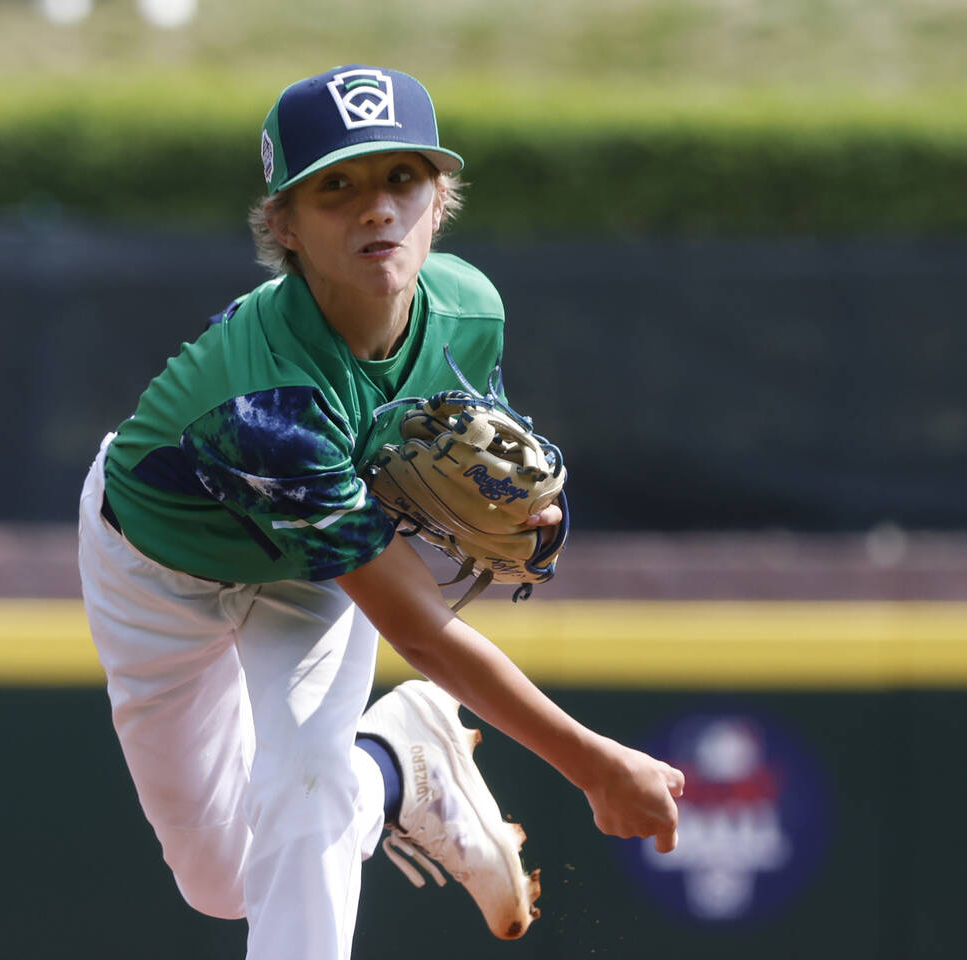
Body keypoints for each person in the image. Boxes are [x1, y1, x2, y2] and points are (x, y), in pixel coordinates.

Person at [77, 65, 684, 960]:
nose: (376, 210)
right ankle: (399, 765)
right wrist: (595, 765)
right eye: (337, 187)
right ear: (282, 224)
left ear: (441, 200)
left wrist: (525, 513)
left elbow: (469, 453)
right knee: (223, 881)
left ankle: (368, 771)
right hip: (159, 570)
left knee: (308, 795)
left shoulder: (470, 305)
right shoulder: (266, 407)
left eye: (403, 178)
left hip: (306, 573)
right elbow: (423, 632)